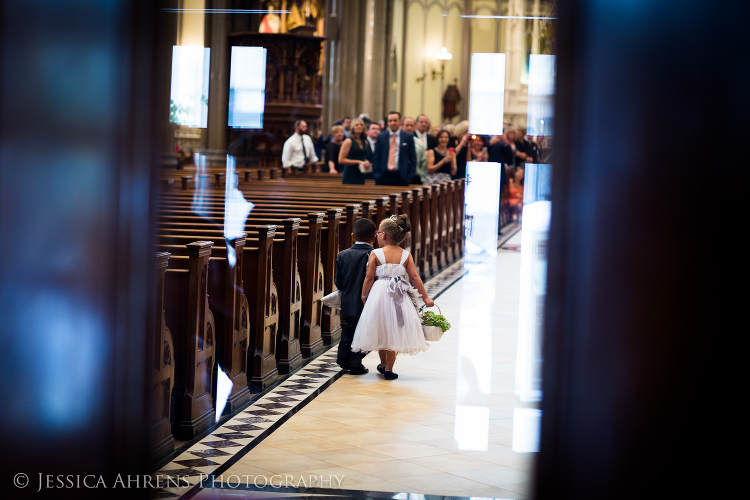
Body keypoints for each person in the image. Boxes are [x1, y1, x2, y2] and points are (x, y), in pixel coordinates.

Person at [351, 215, 434, 380]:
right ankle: (388, 367)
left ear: (383, 235)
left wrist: (364, 294)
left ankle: (382, 364)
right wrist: (425, 297)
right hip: (399, 295)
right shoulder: (406, 255)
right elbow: (415, 277)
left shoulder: (375, 253)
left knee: (382, 328)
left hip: (379, 293)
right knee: (394, 329)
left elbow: (369, 277)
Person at [334, 218, 378, 374]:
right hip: (366, 301)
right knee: (362, 331)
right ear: (374, 237)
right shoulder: (374, 254)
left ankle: (342, 358)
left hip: (347, 301)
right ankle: (355, 362)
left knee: (348, 329)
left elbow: (338, 281)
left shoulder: (343, 254)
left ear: (352, 236)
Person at [372, 111, 417, 186]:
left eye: (395, 120)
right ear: (388, 122)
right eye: (390, 121)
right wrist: (377, 174)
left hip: (401, 175)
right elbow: (376, 157)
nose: (392, 123)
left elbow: (413, 158)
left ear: (400, 121)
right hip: (383, 175)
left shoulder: (408, 137)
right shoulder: (381, 136)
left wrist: (410, 175)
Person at [338, 118, 371, 184]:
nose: (359, 126)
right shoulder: (348, 141)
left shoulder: (365, 142)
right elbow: (341, 160)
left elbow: (364, 156)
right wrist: (358, 161)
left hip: (361, 173)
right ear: (353, 127)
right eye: (356, 125)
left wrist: (366, 161)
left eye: (361, 125)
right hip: (350, 173)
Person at [402, 117, 427, 184]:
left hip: (416, 176)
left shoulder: (419, 143)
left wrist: (422, 176)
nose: (409, 128)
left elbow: (423, 162)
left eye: (411, 125)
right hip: (400, 176)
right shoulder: (397, 141)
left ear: (415, 127)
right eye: (407, 125)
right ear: (402, 126)